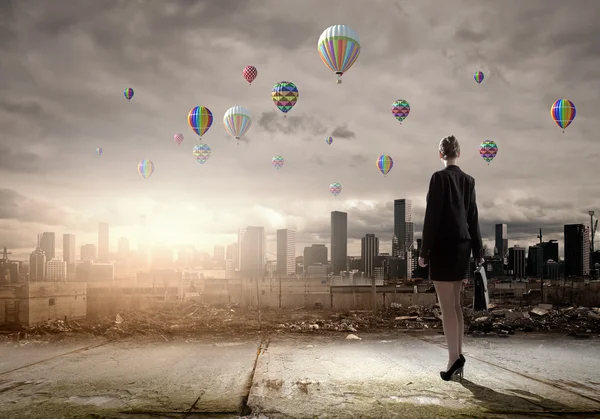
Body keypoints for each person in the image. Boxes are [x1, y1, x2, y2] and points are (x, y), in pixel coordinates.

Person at [418, 135, 484, 382]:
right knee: (455, 306)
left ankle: (452, 360)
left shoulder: (439, 178)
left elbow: (432, 217)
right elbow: (473, 218)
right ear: (459, 153)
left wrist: (424, 252)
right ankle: (458, 357)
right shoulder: (469, 180)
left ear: (440, 154)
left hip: (444, 247)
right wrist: (478, 252)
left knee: (447, 308)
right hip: (463, 246)